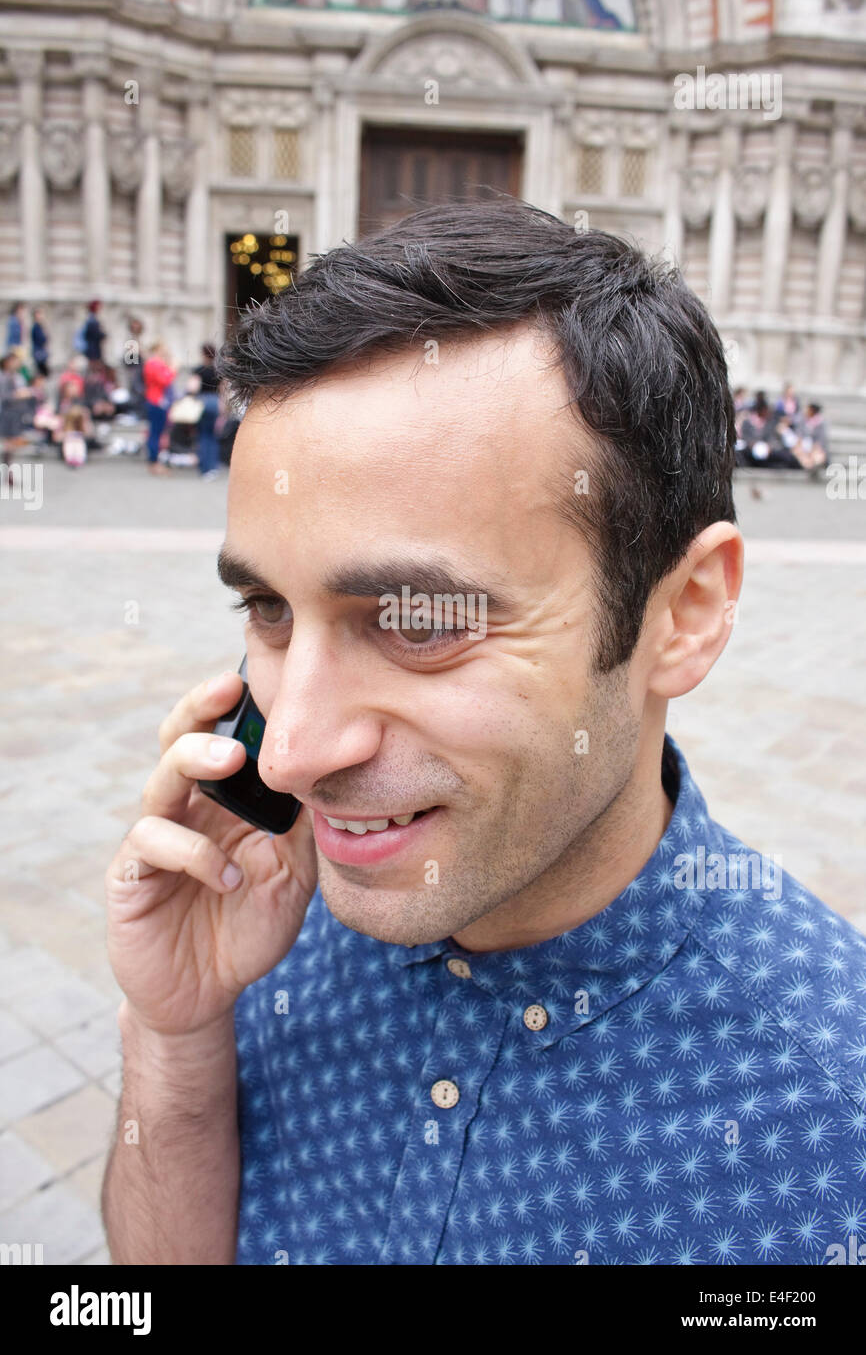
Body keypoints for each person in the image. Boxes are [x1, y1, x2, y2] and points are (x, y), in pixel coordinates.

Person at [101, 197, 866, 1267]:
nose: (287, 752)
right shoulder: (262, 917)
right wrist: (179, 1040)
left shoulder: (832, 1133)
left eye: (417, 620)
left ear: (681, 614)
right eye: (268, 609)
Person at [142, 341, 176, 476]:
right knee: (156, 433)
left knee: (156, 433)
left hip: (156, 400)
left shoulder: (154, 363)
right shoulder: (154, 363)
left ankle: (154, 462)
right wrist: (172, 369)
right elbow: (164, 380)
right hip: (156, 400)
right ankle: (154, 462)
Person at [193, 343, 221, 479]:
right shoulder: (218, 369)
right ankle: (213, 466)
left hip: (202, 402)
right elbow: (223, 388)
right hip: (215, 401)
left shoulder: (199, 369)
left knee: (203, 434)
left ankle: (204, 467)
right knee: (213, 435)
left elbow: (193, 387)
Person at [59, 403, 89, 468]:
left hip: (79, 442)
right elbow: (58, 437)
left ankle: (79, 458)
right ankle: (70, 457)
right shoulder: (65, 426)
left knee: (79, 444)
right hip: (69, 442)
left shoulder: (83, 426)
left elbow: (88, 434)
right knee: (69, 444)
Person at [81, 299, 106, 366]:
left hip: (91, 349)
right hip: (93, 350)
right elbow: (96, 334)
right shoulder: (93, 320)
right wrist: (103, 334)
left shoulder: (90, 319)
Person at [30, 306, 50, 376]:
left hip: (41, 353)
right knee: (41, 373)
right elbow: (42, 339)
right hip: (39, 354)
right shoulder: (36, 327)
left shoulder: (40, 326)